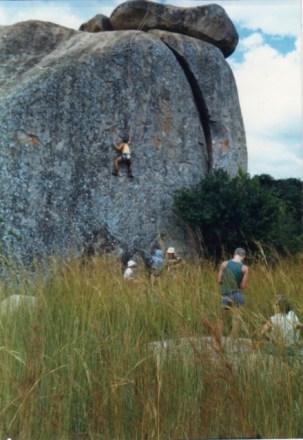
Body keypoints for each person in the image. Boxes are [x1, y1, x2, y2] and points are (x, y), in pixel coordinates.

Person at [217, 247, 249, 344]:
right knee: (236, 318)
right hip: (237, 294)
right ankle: (232, 341)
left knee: (221, 318)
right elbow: (243, 286)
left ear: (235, 254)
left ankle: (217, 338)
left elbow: (219, 281)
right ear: (243, 256)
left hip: (226, 293)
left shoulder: (224, 264)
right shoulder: (244, 268)